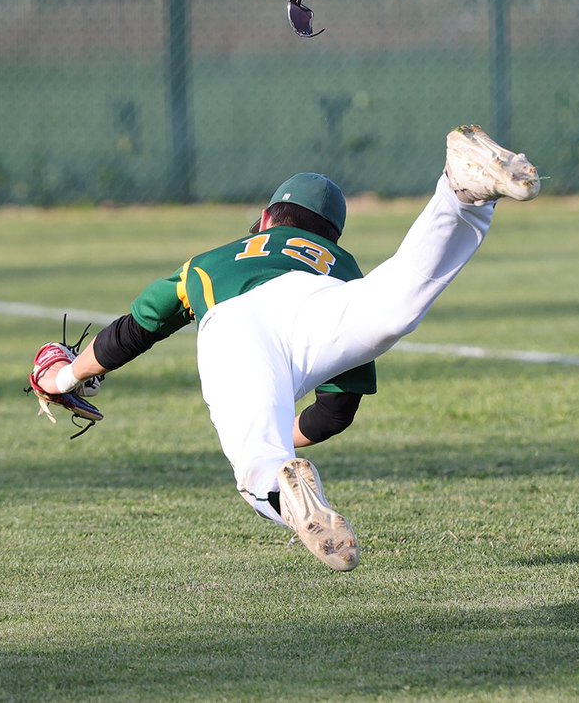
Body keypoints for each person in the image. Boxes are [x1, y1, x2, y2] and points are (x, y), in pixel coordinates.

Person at [29, 124, 540, 571]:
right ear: (331, 236)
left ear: (266, 219)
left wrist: (64, 377)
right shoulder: (341, 264)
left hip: (234, 326)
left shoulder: (212, 261)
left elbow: (137, 328)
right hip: (320, 303)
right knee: (395, 305)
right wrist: (286, 432)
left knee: (257, 467)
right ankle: (460, 193)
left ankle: (282, 486)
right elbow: (334, 413)